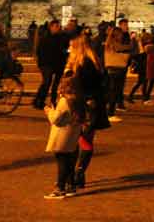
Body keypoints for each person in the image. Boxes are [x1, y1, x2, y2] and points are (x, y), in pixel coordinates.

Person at [64, 33, 109, 191]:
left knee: (74, 142)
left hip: (82, 106)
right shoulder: (95, 62)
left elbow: (75, 87)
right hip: (93, 104)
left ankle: (73, 176)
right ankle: (80, 172)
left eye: (71, 46)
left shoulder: (81, 65)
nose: (69, 49)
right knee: (86, 141)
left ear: (78, 47)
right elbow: (103, 84)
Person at [44, 77, 81, 200]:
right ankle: (71, 186)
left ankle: (60, 188)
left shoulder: (64, 101)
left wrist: (49, 111)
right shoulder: (78, 100)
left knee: (62, 161)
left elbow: (55, 119)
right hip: (73, 134)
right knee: (69, 161)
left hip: (62, 135)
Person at [102, 17, 133, 119]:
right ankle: (110, 112)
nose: (121, 36)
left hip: (115, 68)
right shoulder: (112, 43)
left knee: (114, 90)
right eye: (120, 35)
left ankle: (110, 110)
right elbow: (126, 48)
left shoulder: (110, 42)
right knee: (114, 90)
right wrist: (132, 41)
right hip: (115, 68)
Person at [32, 18, 65, 111]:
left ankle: (53, 101)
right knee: (46, 83)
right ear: (51, 27)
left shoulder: (61, 38)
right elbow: (40, 51)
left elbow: (63, 50)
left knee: (56, 84)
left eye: (59, 26)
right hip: (47, 64)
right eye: (56, 26)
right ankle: (39, 101)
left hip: (58, 64)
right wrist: (42, 63)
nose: (58, 28)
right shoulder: (45, 38)